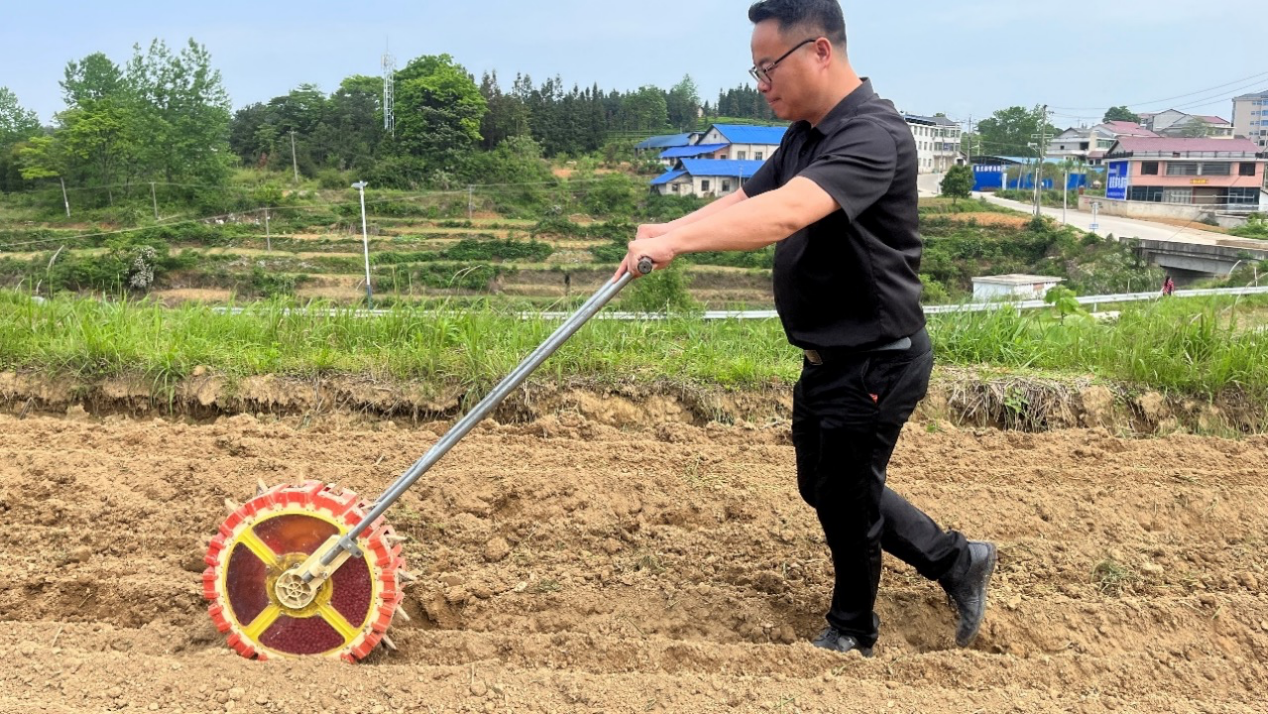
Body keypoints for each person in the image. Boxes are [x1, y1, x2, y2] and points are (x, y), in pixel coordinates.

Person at [615, 0, 996, 656]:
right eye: (755, 68)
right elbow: (748, 198)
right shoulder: (806, 134)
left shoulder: (872, 133)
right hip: (828, 356)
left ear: (819, 51)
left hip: (877, 356)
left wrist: (681, 247)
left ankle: (853, 630)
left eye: (769, 67)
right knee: (823, 486)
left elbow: (786, 213)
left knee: (846, 502)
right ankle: (958, 560)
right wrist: (666, 231)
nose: (761, 84)